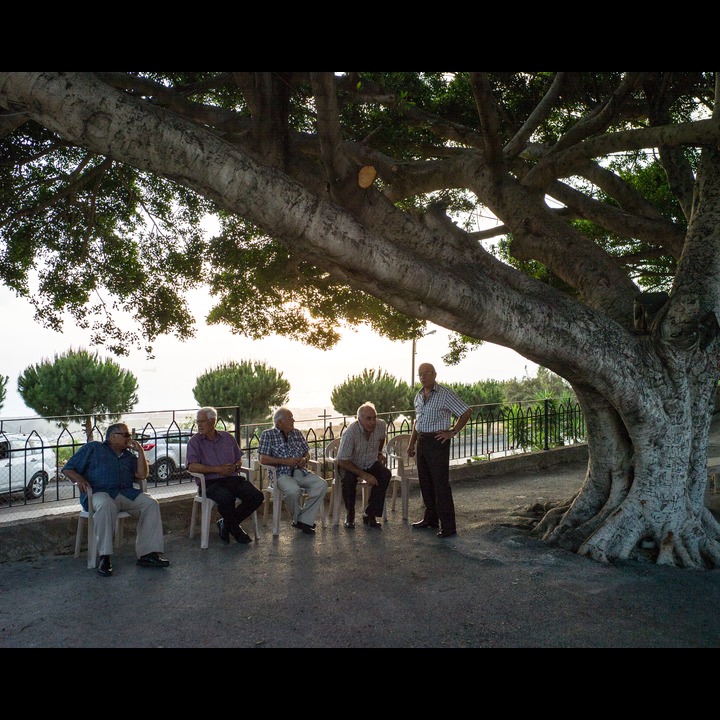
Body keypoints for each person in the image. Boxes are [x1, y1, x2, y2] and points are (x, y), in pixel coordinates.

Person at [62, 422, 170, 576]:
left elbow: (142, 475)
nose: (129, 438)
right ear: (113, 437)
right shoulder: (94, 448)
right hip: (99, 493)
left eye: (129, 435)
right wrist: (79, 479)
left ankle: (148, 554)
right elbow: (68, 468)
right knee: (106, 505)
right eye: (126, 435)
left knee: (150, 503)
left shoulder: (128, 456)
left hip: (125, 493)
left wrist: (140, 451)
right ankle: (104, 557)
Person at [408, 362, 472, 538]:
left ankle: (449, 526)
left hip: (437, 442)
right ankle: (431, 519)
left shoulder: (444, 394)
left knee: (440, 485)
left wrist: (452, 432)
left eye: (427, 373)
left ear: (435, 374)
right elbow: (417, 422)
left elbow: (466, 411)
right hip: (422, 441)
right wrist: (411, 443)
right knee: (425, 483)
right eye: (420, 374)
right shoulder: (419, 396)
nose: (423, 377)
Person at [186, 406, 264, 545]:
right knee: (226, 497)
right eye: (197, 422)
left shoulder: (227, 438)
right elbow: (192, 466)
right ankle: (236, 531)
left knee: (257, 496)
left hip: (232, 478)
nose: (199, 425)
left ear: (213, 421)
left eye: (202, 421)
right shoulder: (194, 442)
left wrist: (235, 466)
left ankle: (225, 524)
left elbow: (238, 459)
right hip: (210, 483)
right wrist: (216, 469)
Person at [258, 407, 327, 534]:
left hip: (300, 471)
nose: (293, 420)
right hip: (280, 474)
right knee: (293, 490)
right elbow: (263, 459)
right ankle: (299, 520)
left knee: (322, 485)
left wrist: (305, 460)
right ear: (279, 422)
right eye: (290, 418)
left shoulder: (297, 433)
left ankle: (302, 520)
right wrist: (285, 461)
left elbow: (307, 452)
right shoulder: (268, 435)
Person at [336, 401, 391, 529]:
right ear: (359, 420)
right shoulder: (350, 432)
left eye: (374, 418)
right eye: (368, 419)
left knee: (385, 474)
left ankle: (370, 514)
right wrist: (365, 475)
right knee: (349, 479)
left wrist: (378, 452)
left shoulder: (381, 425)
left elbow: (382, 437)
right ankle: (350, 515)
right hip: (349, 463)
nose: (372, 422)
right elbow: (342, 460)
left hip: (369, 461)